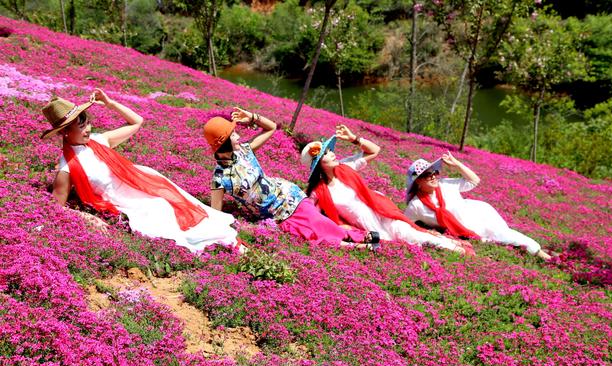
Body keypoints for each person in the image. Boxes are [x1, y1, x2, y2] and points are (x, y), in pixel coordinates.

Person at [43, 89, 241, 253]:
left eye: (86, 122)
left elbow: (137, 122)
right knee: (164, 209)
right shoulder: (67, 168)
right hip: (128, 201)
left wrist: (111, 103)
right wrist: (86, 217)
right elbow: (55, 206)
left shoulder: (98, 140)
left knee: (177, 204)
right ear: (65, 132)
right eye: (81, 126)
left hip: (144, 181)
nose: (88, 129)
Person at [205, 108, 377, 248]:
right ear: (224, 141)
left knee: (318, 222)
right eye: (233, 134)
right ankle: (358, 244)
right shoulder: (219, 179)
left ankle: (360, 237)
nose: (238, 136)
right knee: (308, 235)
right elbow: (216, 214)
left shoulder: (244, 151)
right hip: (274, 216)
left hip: (287, 197)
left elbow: (271, 127)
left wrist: (252, 117)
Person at [301, 125, 470, 255]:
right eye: (326, 153)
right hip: (365, 225)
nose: (332, 153)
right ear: (319, 166)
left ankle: (453, 249)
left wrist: (354, 138)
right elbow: (312, 216)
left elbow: (374, 150)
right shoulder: (318, 191)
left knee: (409, 234)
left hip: (381, 210)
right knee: (398, 241)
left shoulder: (345, 167)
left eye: (330, 150)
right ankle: (446, 246)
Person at [404, 153, 552, 260]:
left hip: (479, 215)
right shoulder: (416, 205)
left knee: (505, 235)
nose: (433, 176)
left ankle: (543, 255)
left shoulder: (446, 184)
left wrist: (457, 165)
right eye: (427, 175)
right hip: (466, 230)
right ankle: (542, 254)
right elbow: (404, 224)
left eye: (434, 172)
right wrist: (429, 232)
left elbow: (474, 181)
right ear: (417, 182)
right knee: (501, 239)